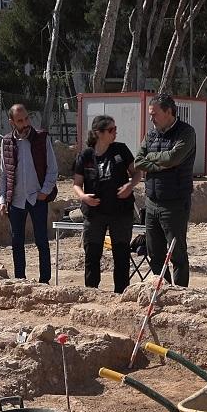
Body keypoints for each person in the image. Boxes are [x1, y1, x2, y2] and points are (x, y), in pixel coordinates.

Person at [134, 93, 197, 287]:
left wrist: (153, 158)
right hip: (152, 203)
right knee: (155, 254)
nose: (151, 118)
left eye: (155, 114)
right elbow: (138, 161)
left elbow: (173, 159)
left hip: (175, 204)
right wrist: (160, 164)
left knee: (177, 254)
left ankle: (179, 293)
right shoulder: (151, 134)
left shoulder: (186, 132)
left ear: (169, 112)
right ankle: (164, 290)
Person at [72, 115, 139, 293]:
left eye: (115, 129)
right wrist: (83, 197)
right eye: (111, 130)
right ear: (98, 133)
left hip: (120, 211)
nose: (115, 133)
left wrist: (130, 185)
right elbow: (77, 184)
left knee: (121, 254)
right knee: (92, 254)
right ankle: (92, 292)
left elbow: (137, 173)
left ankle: (121, 293)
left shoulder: (121, 150)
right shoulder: (86, 155)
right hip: (95, 213)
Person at [0, 104, 58, 283]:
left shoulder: (41, 138)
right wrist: (2, 199)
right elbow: (4, 173)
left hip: (37, 197)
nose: (24, 124)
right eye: (20, 121)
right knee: (17, 242)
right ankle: (20, 279)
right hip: (15, 200)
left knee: (41, 240)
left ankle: (44, 280)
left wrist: (45, 192)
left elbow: (52, 169)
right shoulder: (7, 142)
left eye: (26, 119)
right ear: (12, 122)